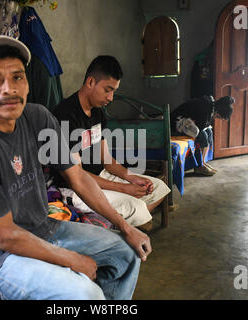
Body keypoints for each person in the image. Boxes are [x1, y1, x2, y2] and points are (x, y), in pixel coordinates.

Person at [0, 36, 152, 300]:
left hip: (42, 227)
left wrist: (125, 227)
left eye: (18, 77)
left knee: (127, 254)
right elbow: (5, 236)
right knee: (85, 293)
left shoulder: (38, 117)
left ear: (27, 83)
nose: (9, 89)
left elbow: (77, 176)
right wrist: (73, 260)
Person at [53, 56, 170, 232]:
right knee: (135, 205)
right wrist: (124, 188)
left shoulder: (98, 113)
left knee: (159, 187)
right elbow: (77, 176)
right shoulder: (66, 116)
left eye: (114, 91)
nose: (111, 97)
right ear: (91, 82)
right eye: (108, 90)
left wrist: (131, 177)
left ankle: (125, 222)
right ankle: (128, 222)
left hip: (100, 176)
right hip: (76, 188)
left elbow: (107, 159)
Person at [170, 95, 235, 176]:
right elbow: (200, 126)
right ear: (218, 111)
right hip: (176, 123)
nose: (215, 118)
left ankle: (203, 162)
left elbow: (203, 124)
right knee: (203, 135)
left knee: (209, 132)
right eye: (218, 116)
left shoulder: (211, 106)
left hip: (187, 122)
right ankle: (199, 166)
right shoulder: (205, 106)